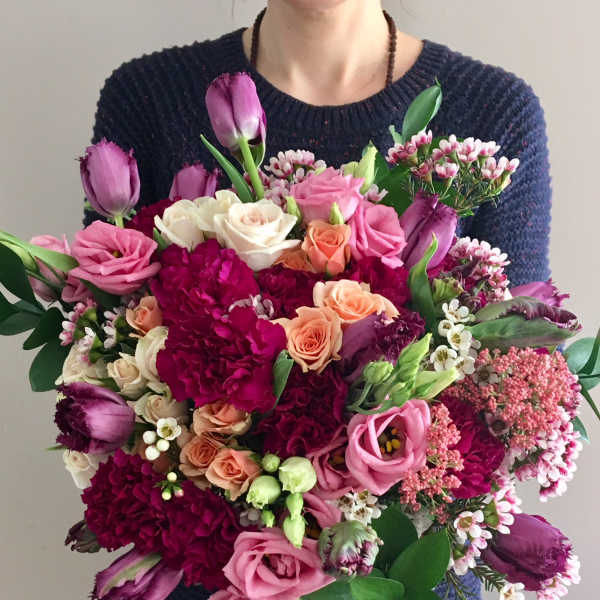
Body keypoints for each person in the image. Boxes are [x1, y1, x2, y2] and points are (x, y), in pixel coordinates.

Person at [87, 1, 551, 598]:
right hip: (206, 575)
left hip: (404, 578)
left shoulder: (493, 112)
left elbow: (515, 381)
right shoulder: (150, 97)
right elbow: (102, 351)